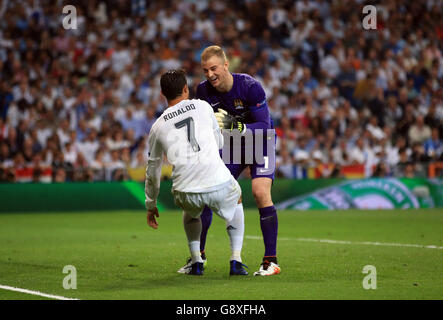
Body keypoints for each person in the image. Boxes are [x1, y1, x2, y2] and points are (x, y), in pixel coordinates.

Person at [178, 45, 281, 276]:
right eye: (205, 70)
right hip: (231, 145)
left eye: (213, 68)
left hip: (259, 142)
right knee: (207, 192)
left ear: (226, 65)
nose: (210, 74)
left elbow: (264, 127)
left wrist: (236, 125)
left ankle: (270, 261)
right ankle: (198, 257)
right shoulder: (203, 90)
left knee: (260, 192)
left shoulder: (250, 87)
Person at [145, 69, 248, 276]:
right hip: (217, 181)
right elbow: (219, 141)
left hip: (185, 190)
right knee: (236, 199)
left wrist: (151, 204)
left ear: (163, 94)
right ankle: (236, 259)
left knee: (191, 214)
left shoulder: (157, 126)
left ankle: (196, 261)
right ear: (185, 89)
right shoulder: (203, 107)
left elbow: (153, 169)